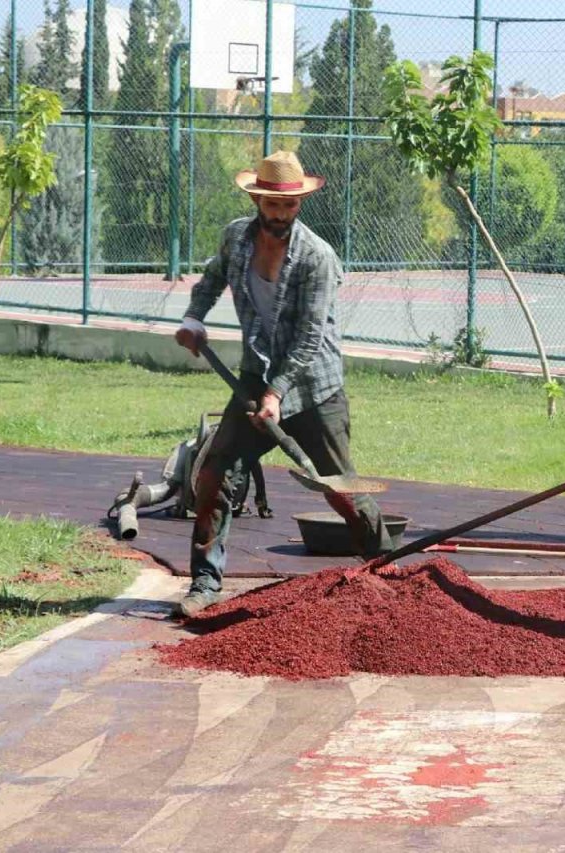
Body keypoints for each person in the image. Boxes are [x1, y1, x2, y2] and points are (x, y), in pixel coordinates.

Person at [172, 150, 387, 617]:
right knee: (214, 473)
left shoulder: (317, 257)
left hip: (314, 386)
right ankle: (205, 584)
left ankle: (387, 568)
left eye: (288, 206)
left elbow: (310, 338)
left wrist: (278, 392)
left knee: (338, 486)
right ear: (258, 199)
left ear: (299, 205)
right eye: (272, 205)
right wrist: (194, 318)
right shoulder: (236, 238)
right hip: (256, 376)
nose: (280, 214)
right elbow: (210, 280)